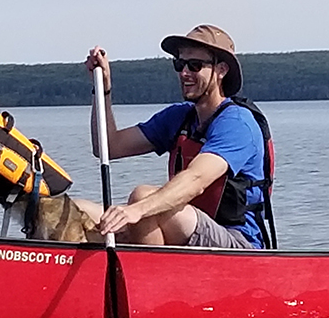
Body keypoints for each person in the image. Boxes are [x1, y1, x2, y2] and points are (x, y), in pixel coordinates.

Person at [78, 25, 268, 249]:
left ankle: (151, 279)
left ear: (221, 70)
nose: (184, 73)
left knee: (142, 198)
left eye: (194, 65)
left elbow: (196, 180)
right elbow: (108, 147)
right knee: (75, 210)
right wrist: (103, 90)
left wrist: (137, 210)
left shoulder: (237, 123)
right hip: (187, 226)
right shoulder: (180, 116)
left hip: (238, 244)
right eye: (180, 64)